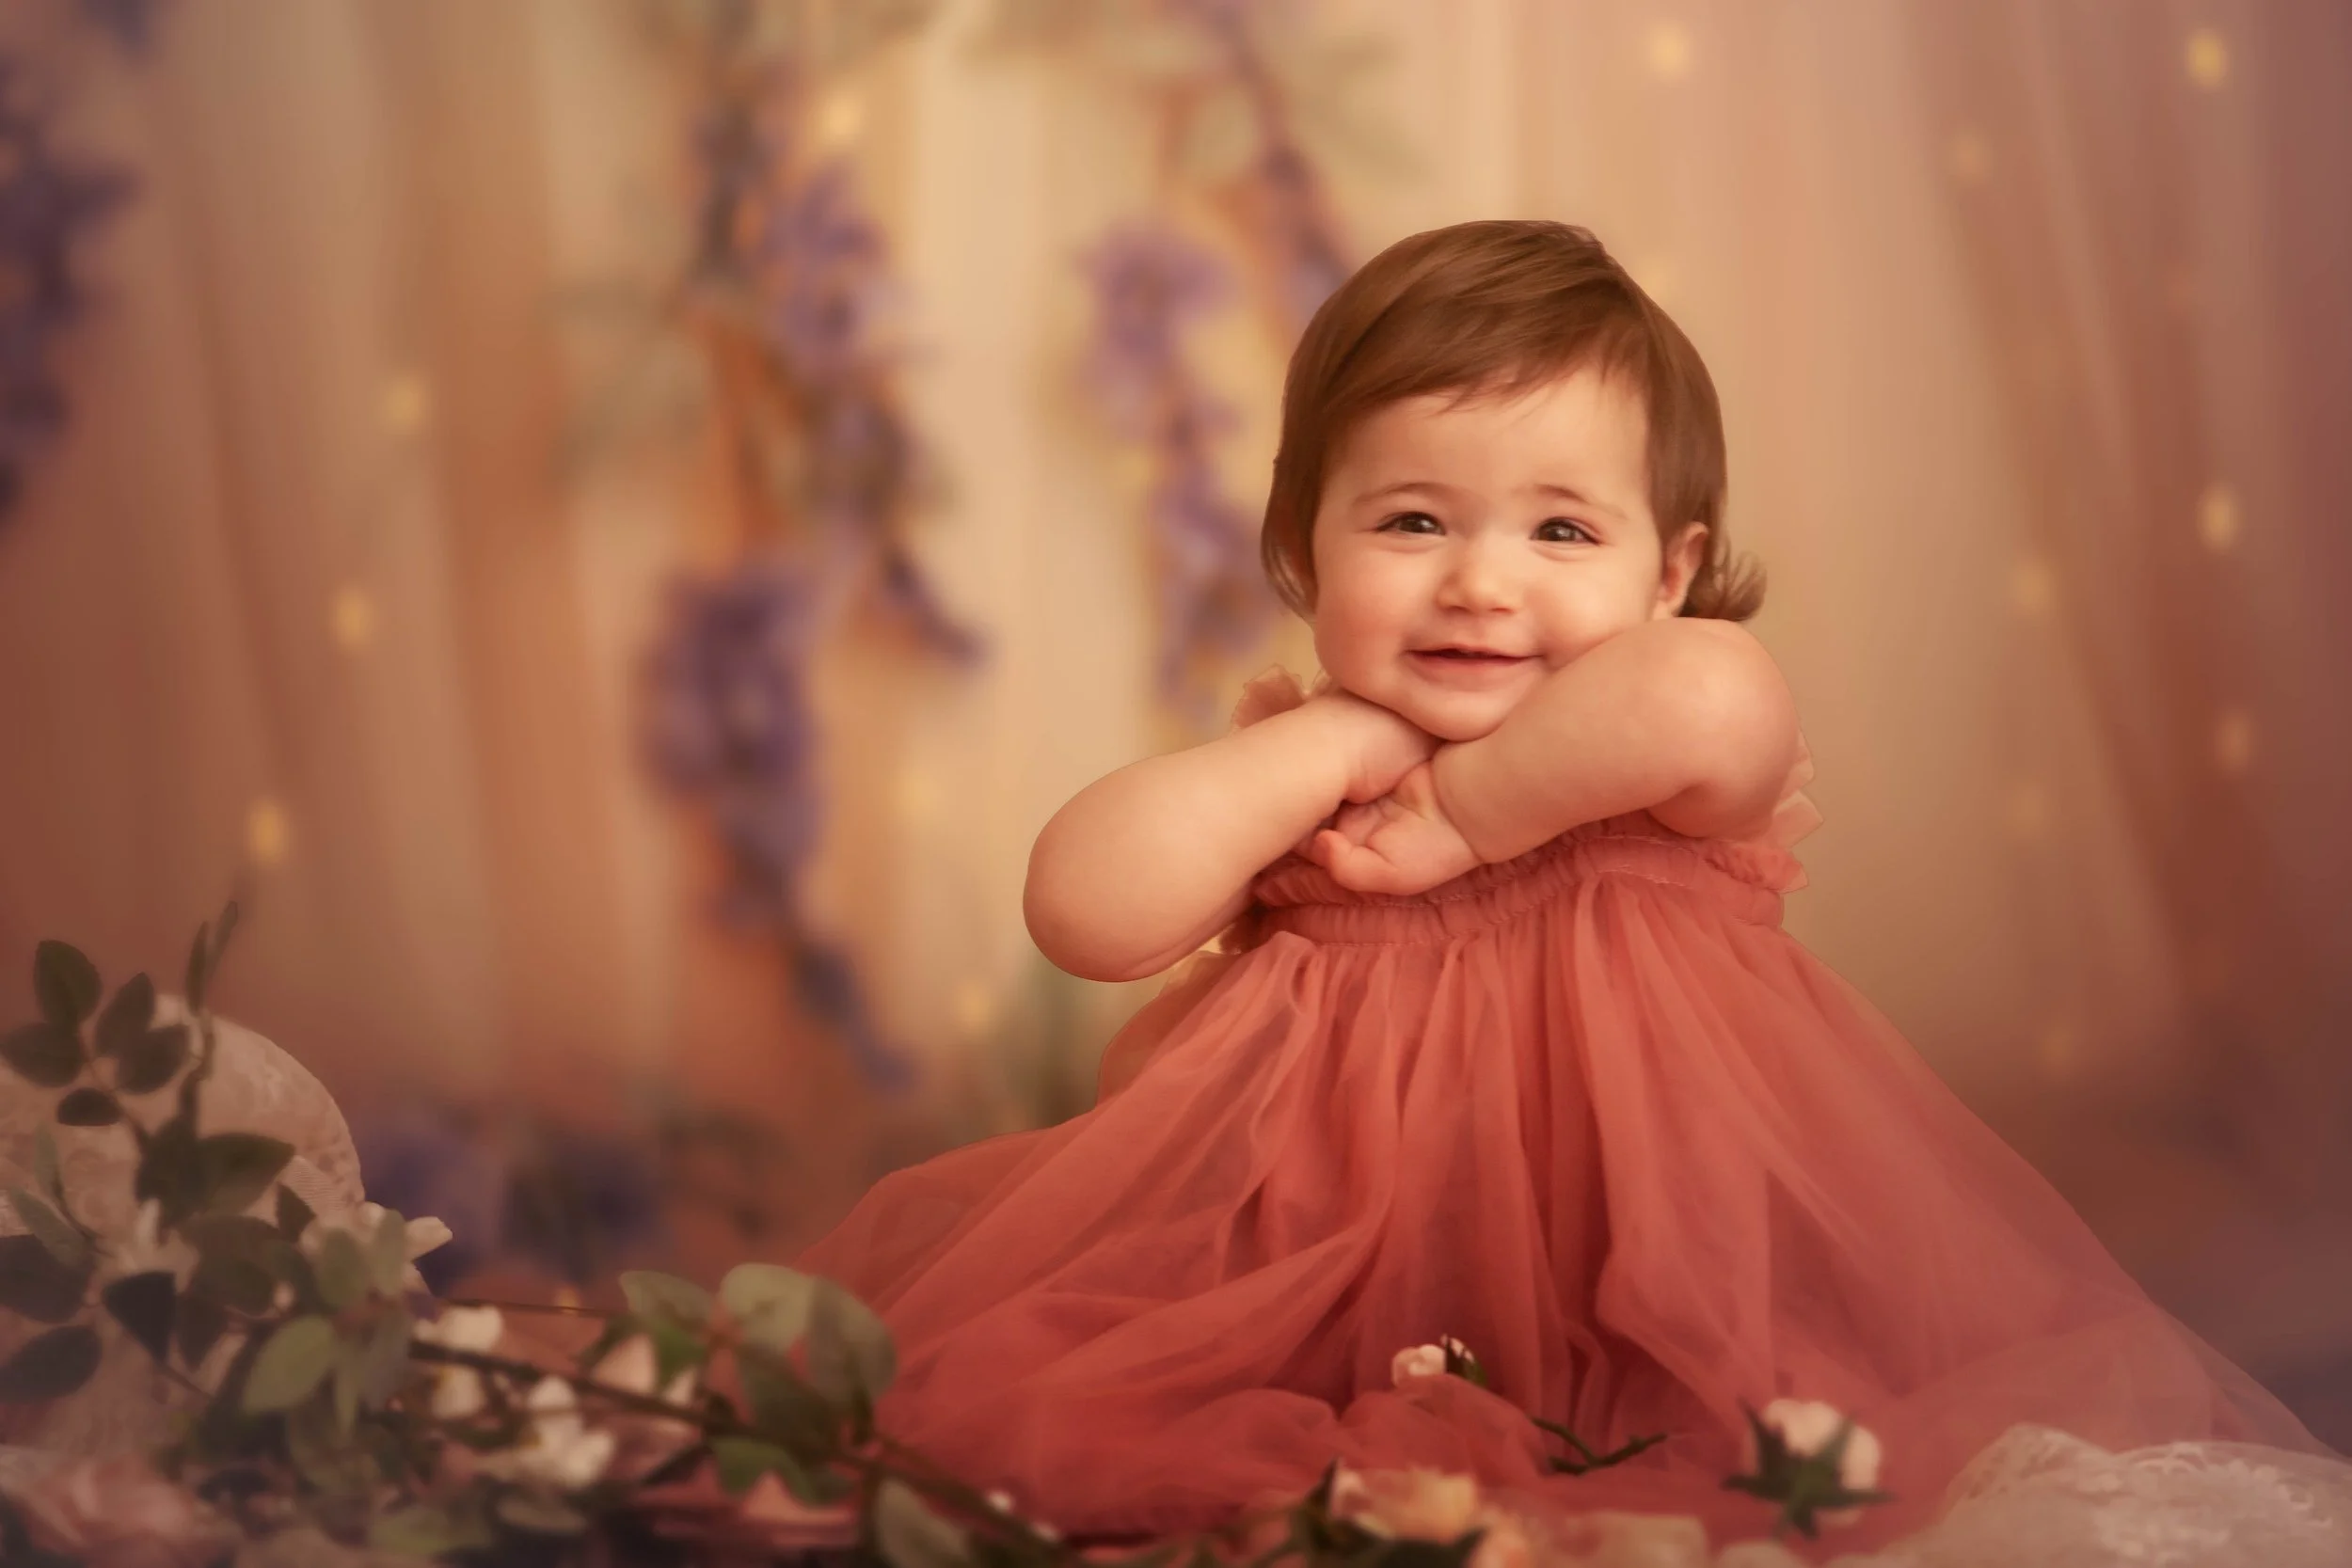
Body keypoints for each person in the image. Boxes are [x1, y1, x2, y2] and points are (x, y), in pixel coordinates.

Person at [793, 221, 2346, 1560]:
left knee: (1753, 1457)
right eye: (1412, 520)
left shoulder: (1649, 739)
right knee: (1137, 1437)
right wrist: (1332, 742)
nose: (1482, 581)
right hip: (1321, 1291)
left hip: (1661, 1290)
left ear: (1666, 573)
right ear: (1303, 547)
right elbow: (1084, 909)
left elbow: (1721, 696)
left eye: (1561, 529)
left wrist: (1466, 812)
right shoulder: (1313, 775)